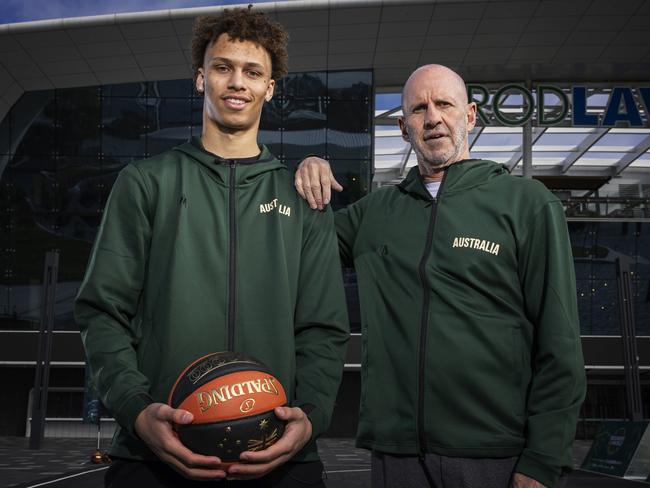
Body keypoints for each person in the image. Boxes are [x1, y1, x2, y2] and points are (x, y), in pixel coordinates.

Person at [75, 8, 349, 488]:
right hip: (153, 454)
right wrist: (138, 412)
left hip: (282, 456)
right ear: (201, 79)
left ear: (271, 88)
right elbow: (103, 312)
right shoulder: (145, 183)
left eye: (253, 71)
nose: (236, 82)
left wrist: (308, 416)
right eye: (223, 67)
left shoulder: (305, 198)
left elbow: (323, 330)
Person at [294, 64, 586, 488]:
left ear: (469, 116)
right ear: (403, 127)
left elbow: (559, 343)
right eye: (418, 108)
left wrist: (542, 459)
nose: (432, 118)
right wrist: (308, 170)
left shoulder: (527, 203)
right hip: (396, 455)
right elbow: (295, 249)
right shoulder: (373, 215)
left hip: (495, 455)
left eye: (444, 104)